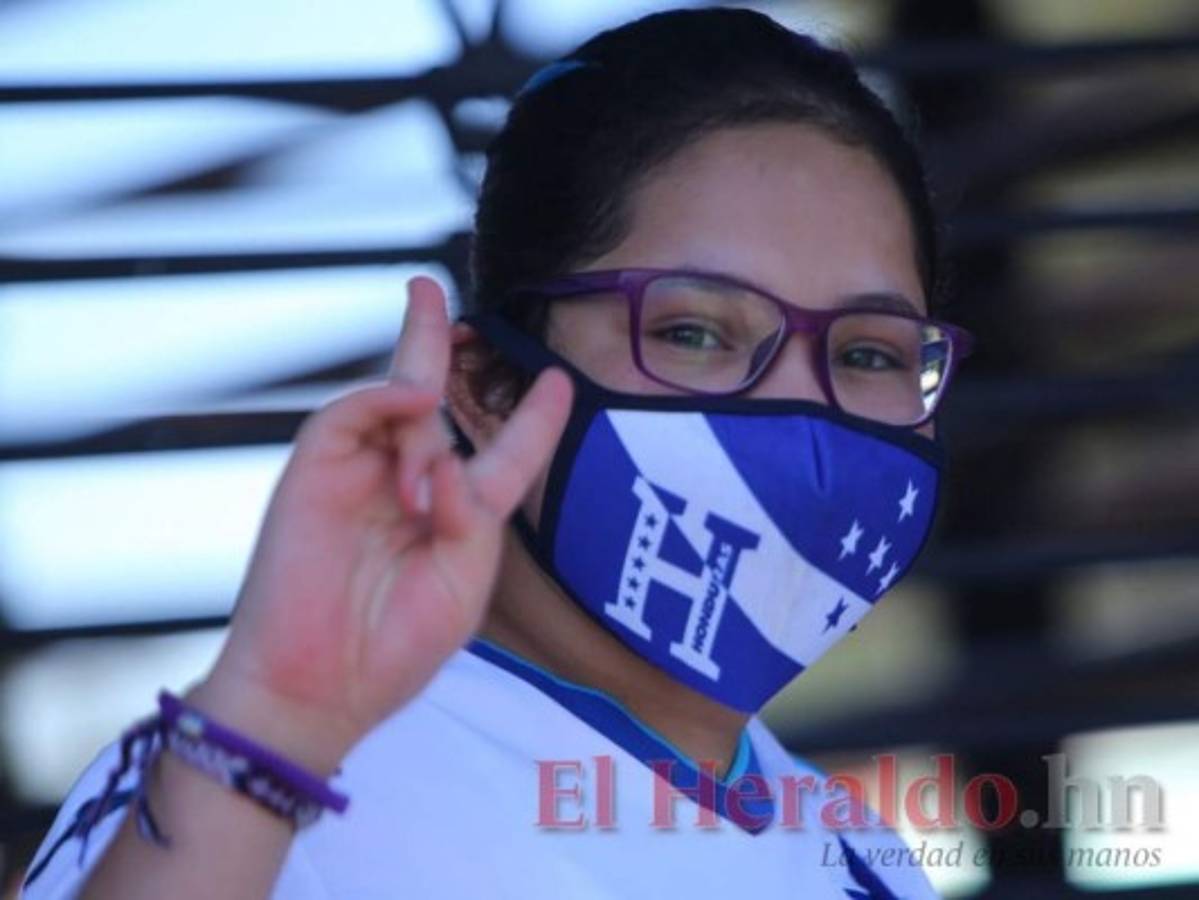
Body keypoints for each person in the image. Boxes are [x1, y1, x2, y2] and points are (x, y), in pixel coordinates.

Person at [23, 7, 974, 898]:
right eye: (693, 333)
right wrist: (265, 730)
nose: (800, 410)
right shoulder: (256, 794)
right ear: (484, 387)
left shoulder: (864, 857)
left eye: (865, 354)